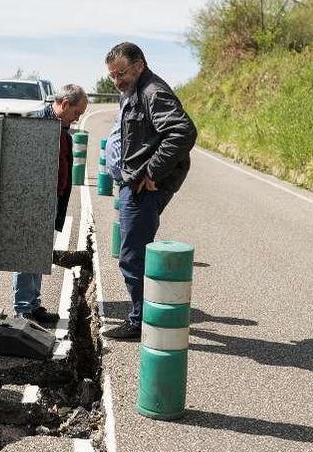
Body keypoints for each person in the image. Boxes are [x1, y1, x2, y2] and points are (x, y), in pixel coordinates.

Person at [100, 41, 197, 340]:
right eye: (113, 76)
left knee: (133, 256)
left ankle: (141, 320)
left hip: (142, 187)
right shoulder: (133, 92)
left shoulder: (153, 92)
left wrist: (153, 172)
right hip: (133, 183)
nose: (118, 81)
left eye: (122, 73)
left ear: (140, 64)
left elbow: (183, 131)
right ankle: (146, 316)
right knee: (135, 253)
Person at [11, 84, 88, 324]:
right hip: (33, 200)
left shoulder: (62, 128)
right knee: (27, 253)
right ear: (64, 104)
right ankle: (23, 308)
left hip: (52, 199)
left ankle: (33, 304)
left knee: (40, 254)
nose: (78, 118)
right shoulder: (35, 126)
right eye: (77, 112)